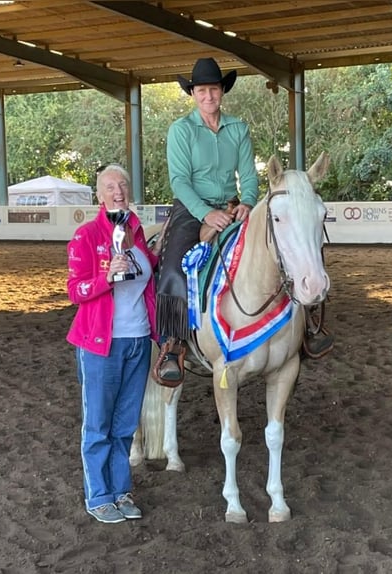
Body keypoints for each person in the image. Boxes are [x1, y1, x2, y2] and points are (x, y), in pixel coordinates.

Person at [155, 57, 259, 384]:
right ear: (193, 93)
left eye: (213, 89)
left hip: (231, 206)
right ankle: (173, 344)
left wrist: (248, 202)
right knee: (173, 267)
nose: (208, 96)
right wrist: (205, 213)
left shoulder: (238, 129)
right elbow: (180, 182)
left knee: (277, 250)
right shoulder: (181, 130)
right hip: (192, 208)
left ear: (222, 91)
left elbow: (250, 176)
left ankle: (299, 328)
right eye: (201, 90)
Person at [66, 164, 159, 524]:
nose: (118, 190)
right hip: (99, 344)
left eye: (123, 184)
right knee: (98, 424)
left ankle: (121, 490)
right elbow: (75, 291)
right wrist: (105, 278)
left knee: (125, 424)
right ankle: (99, 495)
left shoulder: (135, 236)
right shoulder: (86, 236)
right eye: (110, 186)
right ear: (99, 195)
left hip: (137, 341)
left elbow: (148, 282)